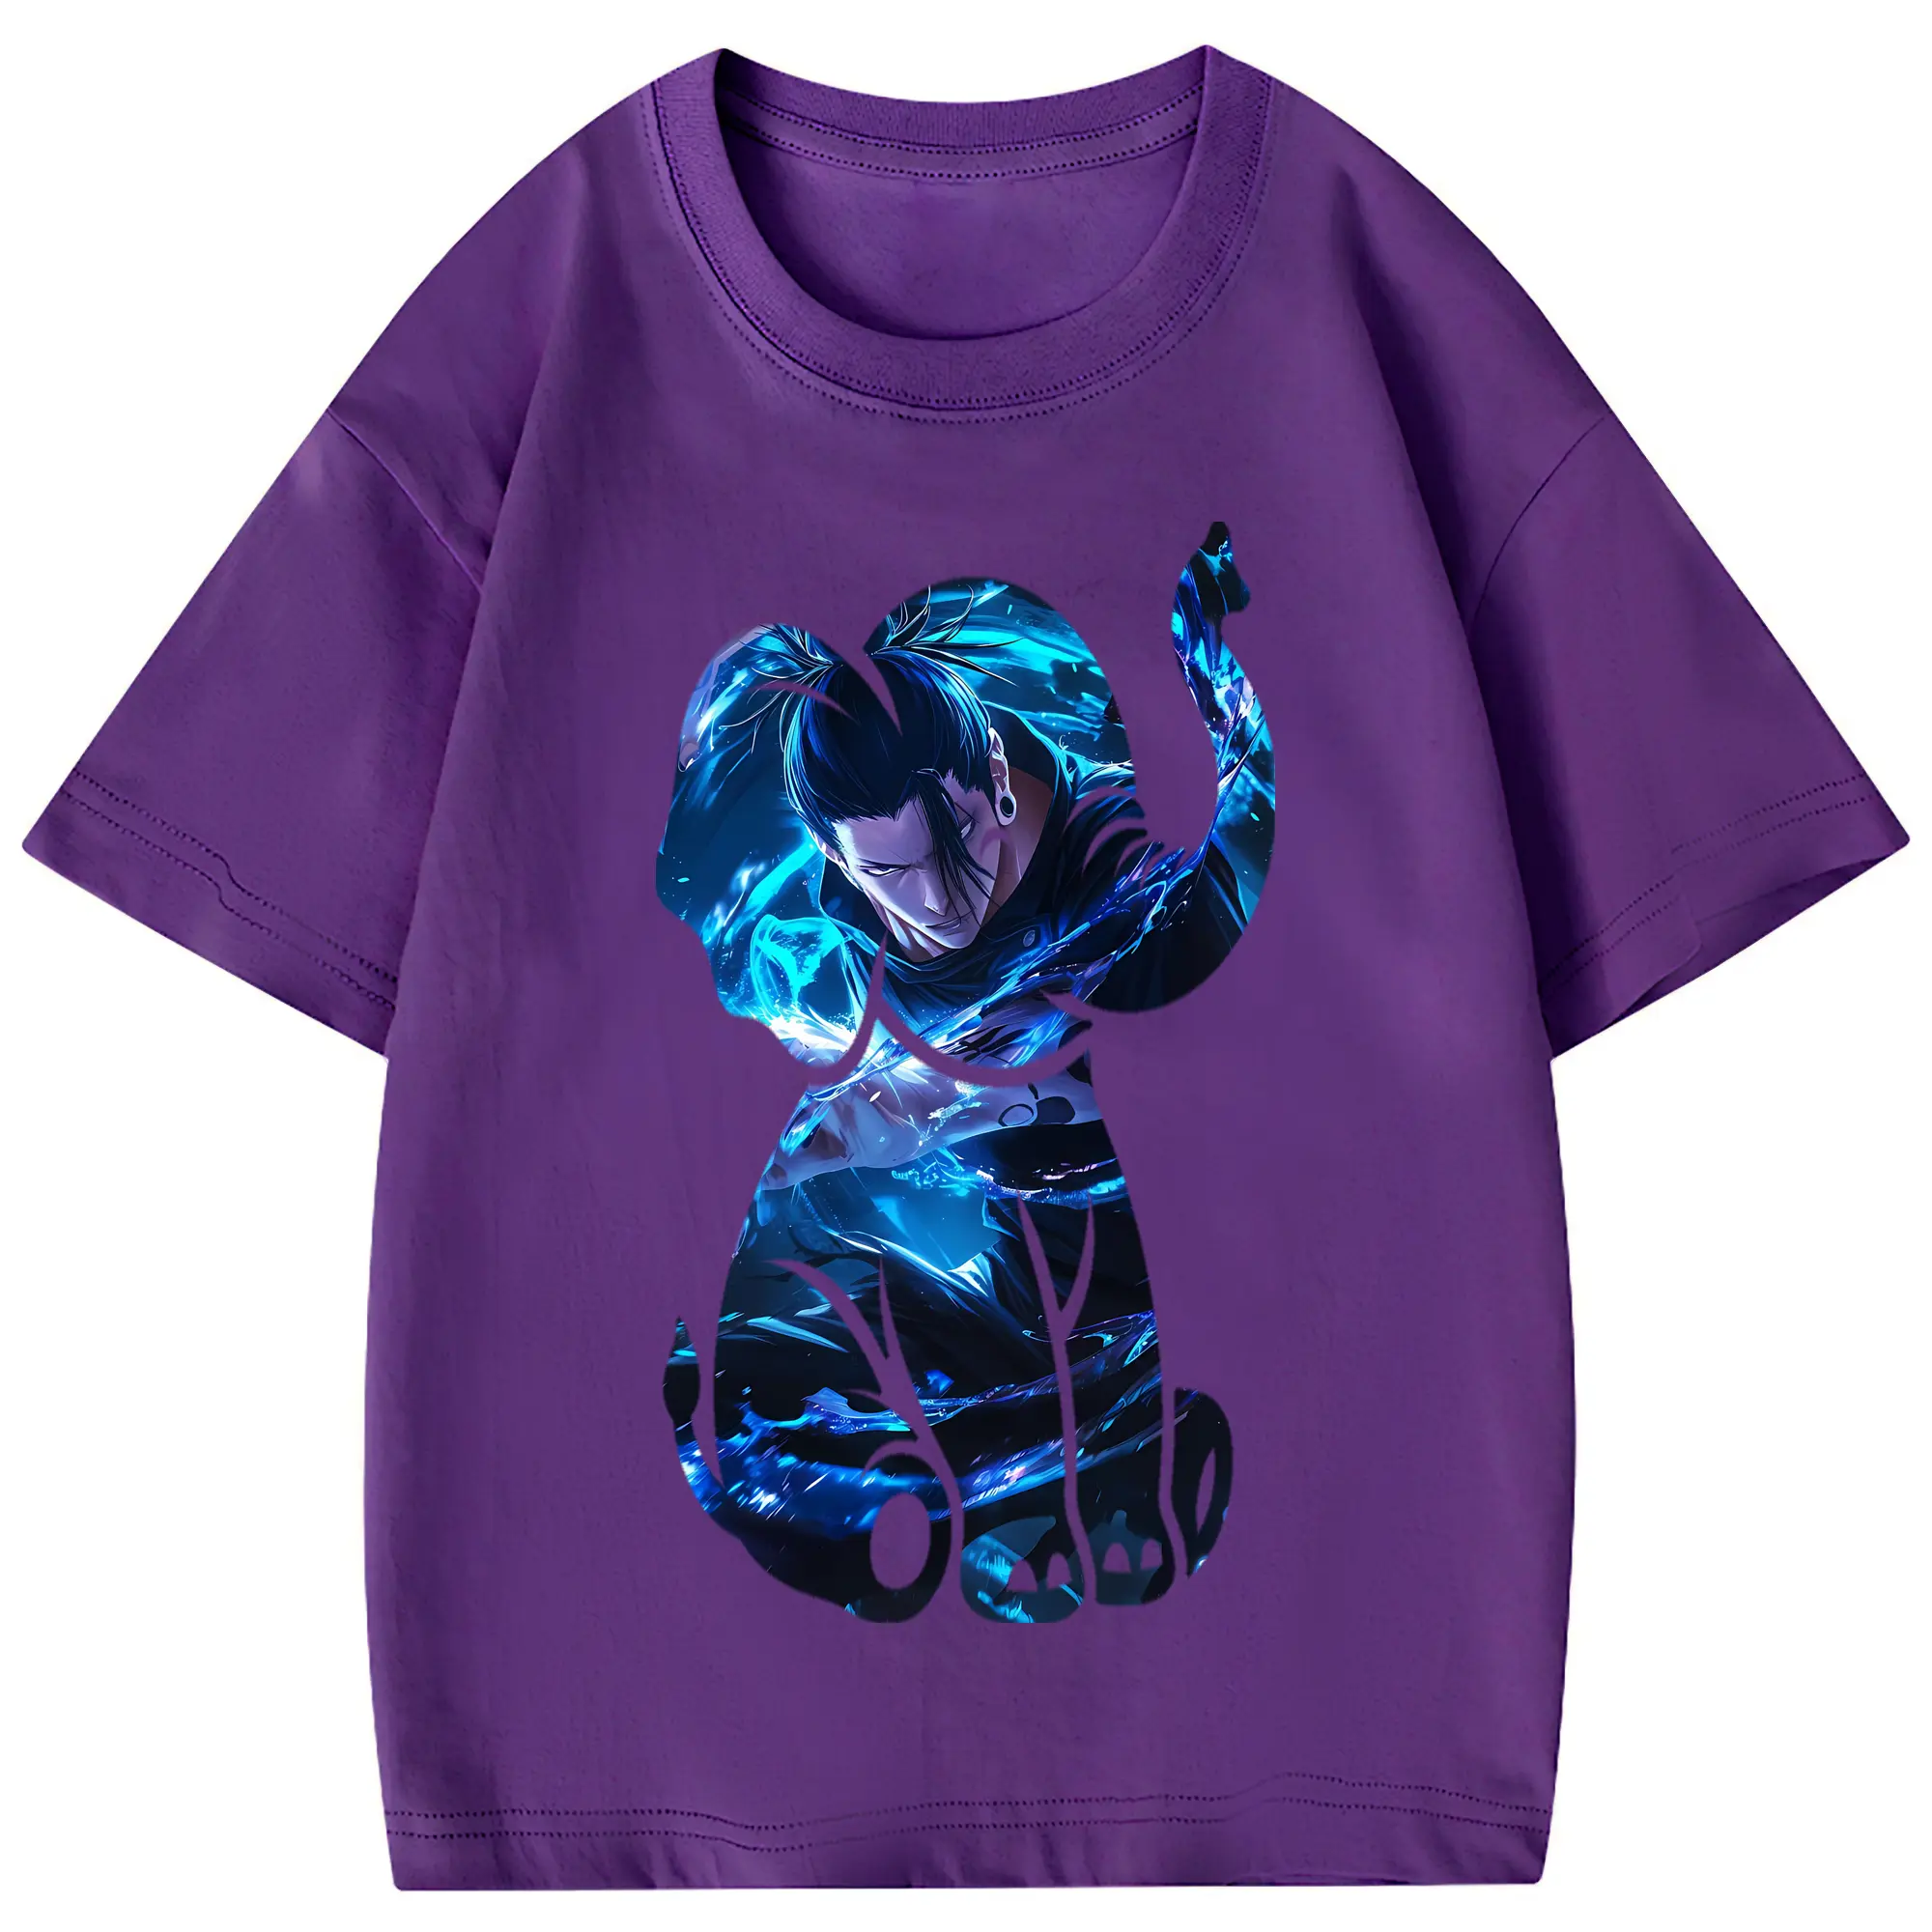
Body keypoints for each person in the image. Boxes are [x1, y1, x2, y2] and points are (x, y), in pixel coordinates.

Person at [659, 526, 1273, 1622]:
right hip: (973, 1237)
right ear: (838, 856)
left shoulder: (1105, 866)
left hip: (1121, 1223)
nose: (938, 901)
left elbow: (1209, 940)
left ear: (994, 777)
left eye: (958, 848)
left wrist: (1219, 682)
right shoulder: (837, 913)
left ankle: (1115, 1465)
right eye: (892, 872)